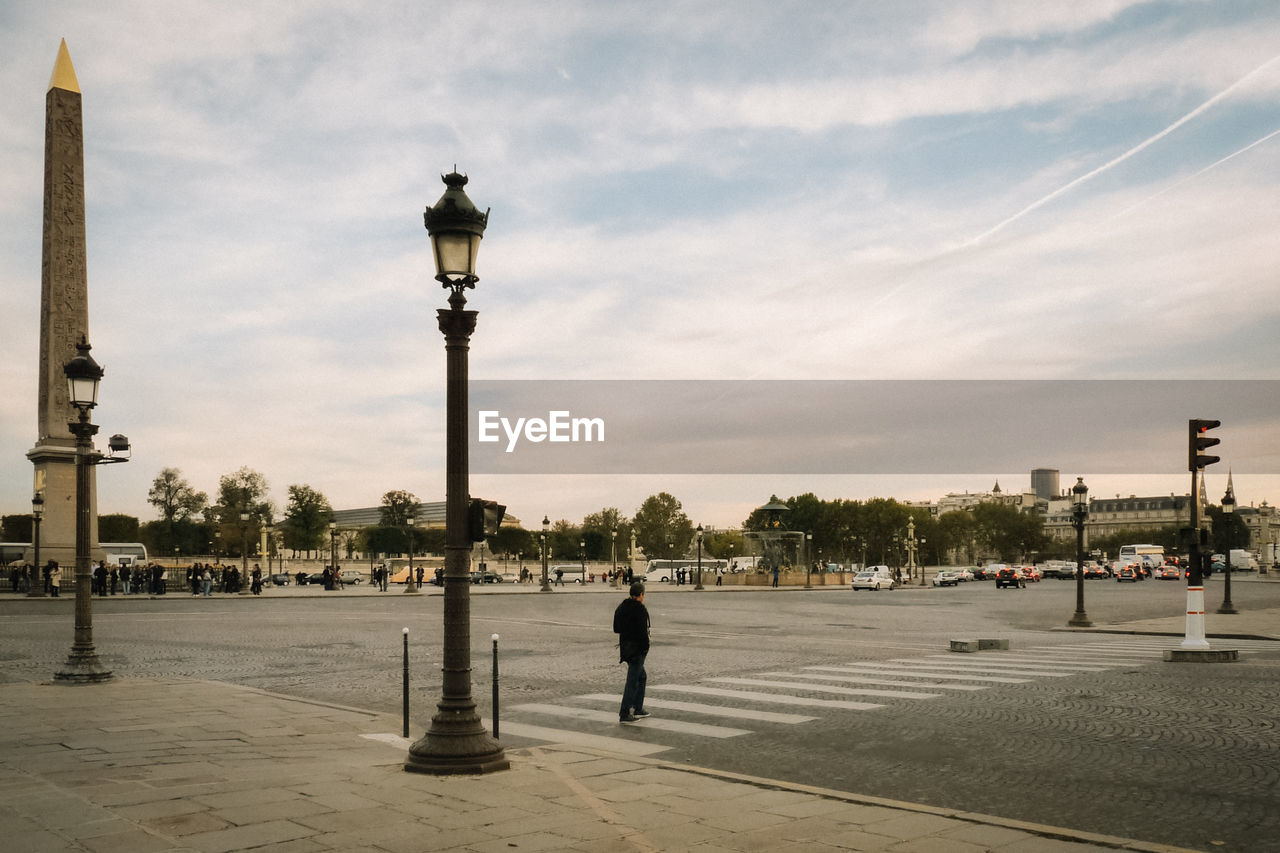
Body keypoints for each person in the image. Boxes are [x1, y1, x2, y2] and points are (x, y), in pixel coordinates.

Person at [613, 581, 651, 723]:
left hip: (626, 648)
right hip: (637, 649)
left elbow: (616, 628)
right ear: (641, 595)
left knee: (641, 677)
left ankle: (638, 708)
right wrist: (646, 646)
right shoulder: (640, 609)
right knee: (632, 681)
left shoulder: (622, 607)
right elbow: (643, 632)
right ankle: (625, 712)